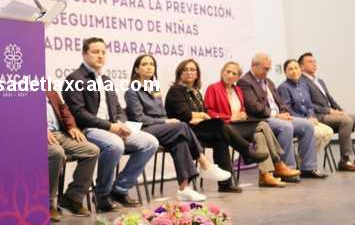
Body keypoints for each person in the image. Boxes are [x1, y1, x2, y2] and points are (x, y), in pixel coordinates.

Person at [62, 38, 159, 212]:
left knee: (150, 142)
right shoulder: (74, 78)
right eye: (95, 52)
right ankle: (102, 195)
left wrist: (121, 123)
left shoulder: (106, 79)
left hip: (112, 128)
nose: (100, 56)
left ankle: (120, 189)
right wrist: (110, 127)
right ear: (84, 54)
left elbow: (117, 107)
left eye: (103, 52)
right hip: (89, 129)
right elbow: (79, 114)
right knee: (115, 145)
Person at [124, 54, 231, 202]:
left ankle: (184, 189)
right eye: (144, 64)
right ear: (137, 69)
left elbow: (162, 113)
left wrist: (165, 121)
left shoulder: (155, 89)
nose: (149, 67)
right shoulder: (131, 91)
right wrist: (165, 122)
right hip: (143, 130)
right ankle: (205, 164)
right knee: (181, 126)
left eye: (152, 64)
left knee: (180, 141)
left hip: (159, 129)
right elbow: (139, 119)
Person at [165, 59, 266, 193]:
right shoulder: (176, 90)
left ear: (197, 74)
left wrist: (200, 116)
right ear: (179, 73)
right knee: (219, 124)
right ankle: (247, 151)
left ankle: (225, 184)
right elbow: (185, 114)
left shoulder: (195, 91)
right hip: (184, 131)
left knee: (221, 138)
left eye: (192, 69)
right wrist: (202, 116)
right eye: (185, 69)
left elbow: (199, 113)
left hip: (197, 128)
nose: (189, 72)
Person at [205, 61, 301, 187]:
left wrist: (243, 114)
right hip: (225, 127)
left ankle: (265, 175)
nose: (230, 75)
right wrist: (229, 117)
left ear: (237, 77)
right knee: (263, 125)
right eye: (228, 71)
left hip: (240, 125)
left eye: (234, 73)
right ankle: (278, 163)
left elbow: (242, 108)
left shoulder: (237, 90)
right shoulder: (213, 88)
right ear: (222, 72)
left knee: (260, 135)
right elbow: (209, 111)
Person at [238, 53, 327, 179]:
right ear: (254, 66)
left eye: (269, 69)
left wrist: (285, 113)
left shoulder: (268, 81)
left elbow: (280, 102)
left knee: (307, 125)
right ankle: (287, 169)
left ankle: (308, 167)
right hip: (261, 120)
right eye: (265, 69)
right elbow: (254, 107)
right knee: (286, 127)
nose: (267, 72)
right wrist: (276, 115)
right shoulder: (245, 82)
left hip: (278, 117)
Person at [298, 52, 355, 169]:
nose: (314, 64)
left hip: (332, 114)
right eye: (310, 62)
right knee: (346, 121)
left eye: (315, 61)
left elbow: (330, 99)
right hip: (318, 116)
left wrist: (341, 111)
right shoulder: (301, 82)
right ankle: (345, 160)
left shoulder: (319, 81)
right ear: (301, 66)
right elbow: (308, 104)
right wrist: (329, 111)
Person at [45, 90, 99, 221]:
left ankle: (72, 197)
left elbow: (62, 108)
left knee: (92, 150)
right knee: (57, 153)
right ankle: (48, 204)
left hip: (59, 133)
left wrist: (72, 126)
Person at [277, 59, 336, 164]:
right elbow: (287, 109)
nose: (294, 71)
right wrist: (305, 120)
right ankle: (307, 161)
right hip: (295, 120)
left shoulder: (304, 85)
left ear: (300, 70)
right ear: (285, 72)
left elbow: (309, 106)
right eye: (290, 69)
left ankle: (303, 158)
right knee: (316, 133)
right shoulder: (283, 87)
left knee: (328, 132)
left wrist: (311, 116)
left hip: (309, 119)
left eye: (296, 68)